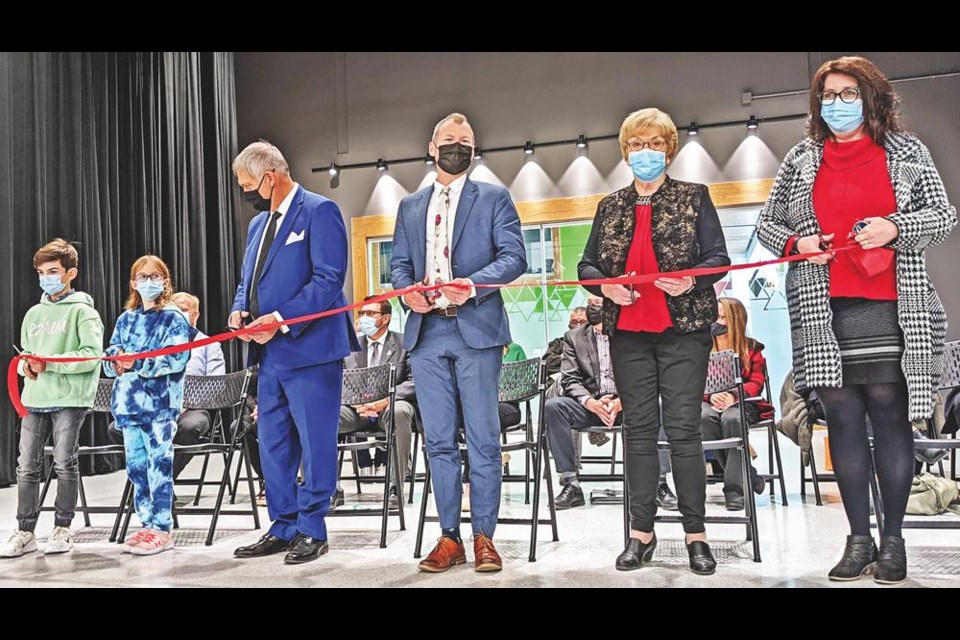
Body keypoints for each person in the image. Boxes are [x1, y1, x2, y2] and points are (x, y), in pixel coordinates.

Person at [757, 56, 956, 584]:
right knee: (841, 422)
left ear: (872, 98)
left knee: (890, 418)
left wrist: (894, 227)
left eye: (848, 94)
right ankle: (857, 539)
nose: (836, 104)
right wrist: (798, 243)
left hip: (893, 305)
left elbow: (943, 216)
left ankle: (893, 543)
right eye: (828, 95)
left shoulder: (907, 151)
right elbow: (767, 224)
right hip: (824, 310)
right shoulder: (802, 157)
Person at [579, 107, 730, 575]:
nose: (646, 152)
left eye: (655, 144)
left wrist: (692, 282)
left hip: (683, 332)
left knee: (684, 430)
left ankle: (696, 535)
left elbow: (719, 259)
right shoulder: (610, 206)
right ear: (626, 152)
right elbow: (587, 267)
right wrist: (604, 286)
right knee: (639, 433)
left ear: (669, 149)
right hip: (628, 334)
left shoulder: (694, 196)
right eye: (637, 145)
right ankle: (640, 534)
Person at [391, 112, 526, 573]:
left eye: (464, 141)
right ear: (432, 147)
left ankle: (485, 535)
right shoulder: (410, 206)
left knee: (485, 439)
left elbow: (514, 257)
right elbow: (399, 266)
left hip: (477, 329)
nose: (456, 146)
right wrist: (409, 292)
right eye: (448, 140)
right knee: (440, 442)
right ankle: (449, 537)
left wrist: (473, 283)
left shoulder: (493, 197)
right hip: (426, 334)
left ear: (474, 149)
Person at [230, 141, 359, 566]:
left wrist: (281, 318)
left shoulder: (319, 211)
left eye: (248, 184)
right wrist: (238, 310)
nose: (245, 191)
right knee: (273, 443)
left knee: (315, 441)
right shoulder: (257, 226)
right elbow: (247, 280)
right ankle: (282, 525)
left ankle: (312, 528)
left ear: (270, 177)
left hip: (312, 350)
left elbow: (328, 281)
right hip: (269, 356)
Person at [0, 240, 104, 558]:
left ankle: (63, 527)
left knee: (64, 461)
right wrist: (29, 369)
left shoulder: (84, 312)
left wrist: (49, 363)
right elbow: (27, 357)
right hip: (36, 397)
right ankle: (25, 530)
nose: (47, 277)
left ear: (71, 273)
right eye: (42, 272)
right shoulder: (33, 314)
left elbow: (90, 356)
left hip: (71, 399)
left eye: (54, 271)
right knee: (26, 465)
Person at [545, 295, 677, 511]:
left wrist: (621, 401)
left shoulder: (634, 333)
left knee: (658, 404)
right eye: (592, 305)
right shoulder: (574, 337)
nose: (595, 309)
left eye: (599, 304)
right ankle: (571, 484)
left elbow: (647, 374)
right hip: (590, 404)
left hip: (628, 403)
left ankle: (658, 484)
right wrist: (591, 402)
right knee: (554, 407)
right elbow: (570, 378)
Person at [104, 255, 191, 556]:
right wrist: (116, 359)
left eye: (155, 276)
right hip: (128, 403)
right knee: (137, 468)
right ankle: (145, 523)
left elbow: (177, 357)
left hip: (160, 404)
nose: (149, 282)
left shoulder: (173, 317)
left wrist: (137, 360)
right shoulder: (125, 318)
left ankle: (162, 528)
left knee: (159, 465)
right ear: (133, 283)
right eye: (143, 277)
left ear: (165, 281)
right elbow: (112, 352)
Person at [106, 291, 226, 479]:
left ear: (195, 315)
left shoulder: (209, 345)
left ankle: (161, 483)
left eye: (184, 310)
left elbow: (216, 386)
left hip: (192, 409)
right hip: (154, 407)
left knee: (187, 429)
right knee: (117, 428)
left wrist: (183, 403)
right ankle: (147, 482)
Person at [337, 297, 416, 508]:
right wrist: (355, 402)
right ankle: (330, 488)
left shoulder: (404, 342)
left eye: (370, 314)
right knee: (327, 416)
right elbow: (339, 378)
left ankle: (395, 486)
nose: (364, 318)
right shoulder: (351, 346)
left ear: (386, 318)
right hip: (356, 410)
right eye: (362, 314)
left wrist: (385, 400)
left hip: (391, 405)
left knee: (400, 412)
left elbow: (415, 380)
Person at [700, 297, 770, 511]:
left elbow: (756, 383)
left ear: (735, 320)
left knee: (732, 418)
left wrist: (732, 395)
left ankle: (734, 490)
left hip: (741, 402)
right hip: (708, 401)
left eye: (723, 317)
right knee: (703, 418)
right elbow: (692, 379)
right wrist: (709, 397)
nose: (718, 322)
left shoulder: (752, 347)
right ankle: (748, 474)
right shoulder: (701, 345)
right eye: (716, 317)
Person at [544, 307, 587, 379]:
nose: (578, 326)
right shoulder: (558, 343)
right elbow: (548, 363)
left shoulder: (594, 344)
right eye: (574, 322)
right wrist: (571, 357)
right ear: (569, 325)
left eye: (583, 322)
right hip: (560, 382)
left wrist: (564, 358)